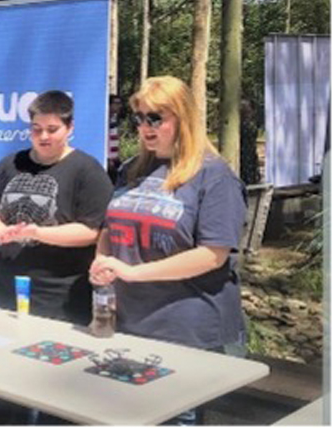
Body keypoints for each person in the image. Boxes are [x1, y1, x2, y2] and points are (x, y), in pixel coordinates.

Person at [90, 76, 247, 426]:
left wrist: (132, 272)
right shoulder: (131, 170)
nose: (145, 127)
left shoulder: (214, 177)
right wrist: (101, 260)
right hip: (129, 326)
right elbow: (109, 227)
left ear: (183, 118)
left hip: (185, 333)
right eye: (140, 118)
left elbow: (212, 255)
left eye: (155, 118)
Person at [0, 90, 113, 425]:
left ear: (70, 128)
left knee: (56, 394)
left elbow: (93, 230)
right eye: (36, 128)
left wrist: (36, 233)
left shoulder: (87, 172)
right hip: (1, 291)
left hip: (59, 299)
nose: (43, 136)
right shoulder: (10, 164)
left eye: (52, 129)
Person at [107, 94, 123, 183]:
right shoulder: (103, 120)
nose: (119, 106)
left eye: (120, 103)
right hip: (108, 160)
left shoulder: (114, 120)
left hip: (114, 158)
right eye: (116, 103)